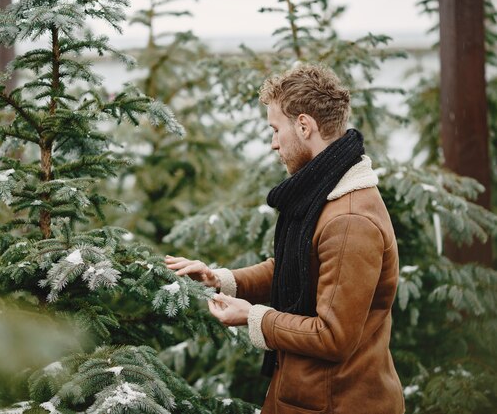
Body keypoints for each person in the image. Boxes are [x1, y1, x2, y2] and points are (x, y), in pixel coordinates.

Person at [165, 64, 404, 414]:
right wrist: (221, 280)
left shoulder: (350, 221)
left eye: (276, 129)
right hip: (307, 397)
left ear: (304, 126)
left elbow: (332, 336)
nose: (273, 143)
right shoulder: (324, 193)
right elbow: (299, 268)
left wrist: (253, 318)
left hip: (336, 404)